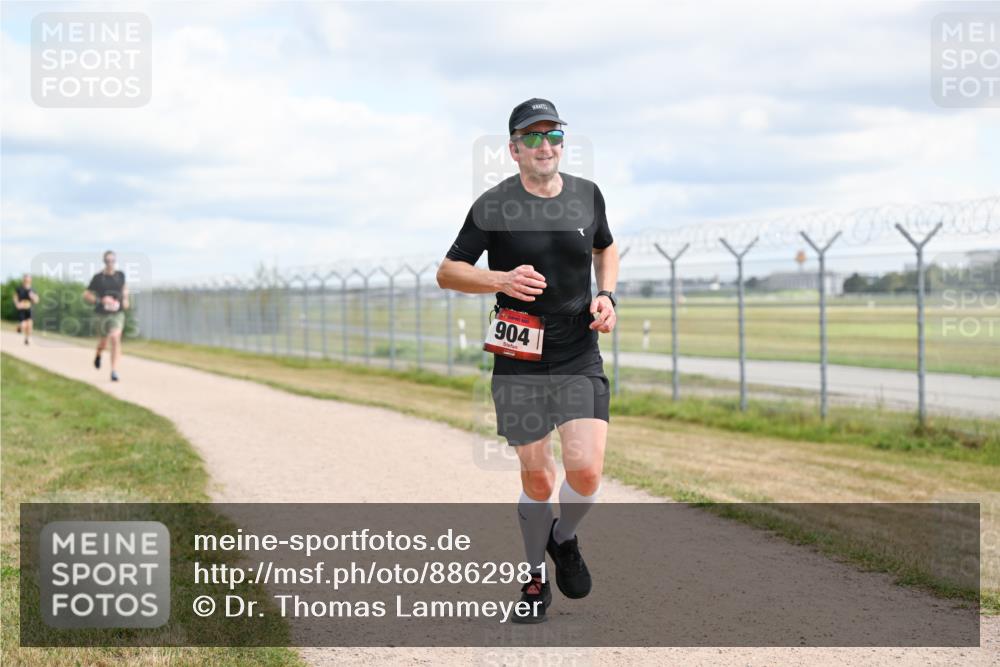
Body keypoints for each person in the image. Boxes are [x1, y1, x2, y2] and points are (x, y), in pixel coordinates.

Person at [436, 98, 620, 623]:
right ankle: (534, 578)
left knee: (586, 471)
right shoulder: (494, 206)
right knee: (538, 479)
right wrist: (500, 279)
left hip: (578, 351)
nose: (545, 145)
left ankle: (564, 538)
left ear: (562, 142)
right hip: (520, 357)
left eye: (553, 135)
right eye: (532, 137)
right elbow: (448, 272)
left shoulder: (587, 195)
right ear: (514, 149)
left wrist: (606, 296)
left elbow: (606, 248)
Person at [83, 250, 129, 382]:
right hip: (101, 314)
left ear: (115, 261)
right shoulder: (98, 278)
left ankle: (114, 371)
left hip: (117, 313)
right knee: (103, 342)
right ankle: (98, 354)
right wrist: (101, 300)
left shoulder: (120, 275)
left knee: (115, 338)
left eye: (112, 261)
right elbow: (86, 294)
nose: (110, 263)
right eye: (108, 261)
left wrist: (126, 299)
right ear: (104, 261)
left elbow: (124, 288)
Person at [13, 274, 40, 345]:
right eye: (25, 279)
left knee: (30, 326)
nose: (26, 281)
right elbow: (15, 297)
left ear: (30, 280)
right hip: (22, 310)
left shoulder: (33, 290)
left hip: (29, 309)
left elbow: (37, 300)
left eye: (28, 279)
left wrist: (33, 297)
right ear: (23, 280)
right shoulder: (19, 289)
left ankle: (27, 339)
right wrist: (17, 304)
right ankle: (19, 327)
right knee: (23, 325)